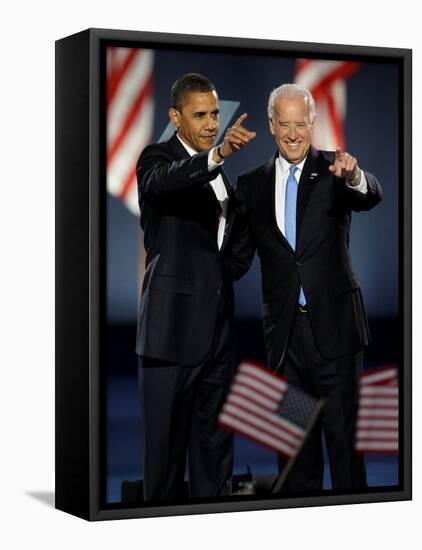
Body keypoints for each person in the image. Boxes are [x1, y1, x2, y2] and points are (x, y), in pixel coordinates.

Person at [235, 83, 382, 492]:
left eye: (302, 123)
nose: (294, 133)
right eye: (285, 124)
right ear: (271, 125)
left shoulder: (337, 169)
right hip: (286, 343)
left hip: (334, 335)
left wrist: (354, 176)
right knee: (295, 454)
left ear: (313, 123)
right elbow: (235, 258)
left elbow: (371, 194)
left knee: (345, 449)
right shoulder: (251, 185)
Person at [135, 73, 256, 501]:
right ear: (176, 116)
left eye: (215, 114)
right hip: (170, 336)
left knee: (215, 458)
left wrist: (224, 276)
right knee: (165, 465)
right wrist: (217, 154)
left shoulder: (220, 173)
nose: (210, 123)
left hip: (218, 337)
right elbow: (163, 182)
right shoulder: (156, 159)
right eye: (200, 114)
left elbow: (232, 242)